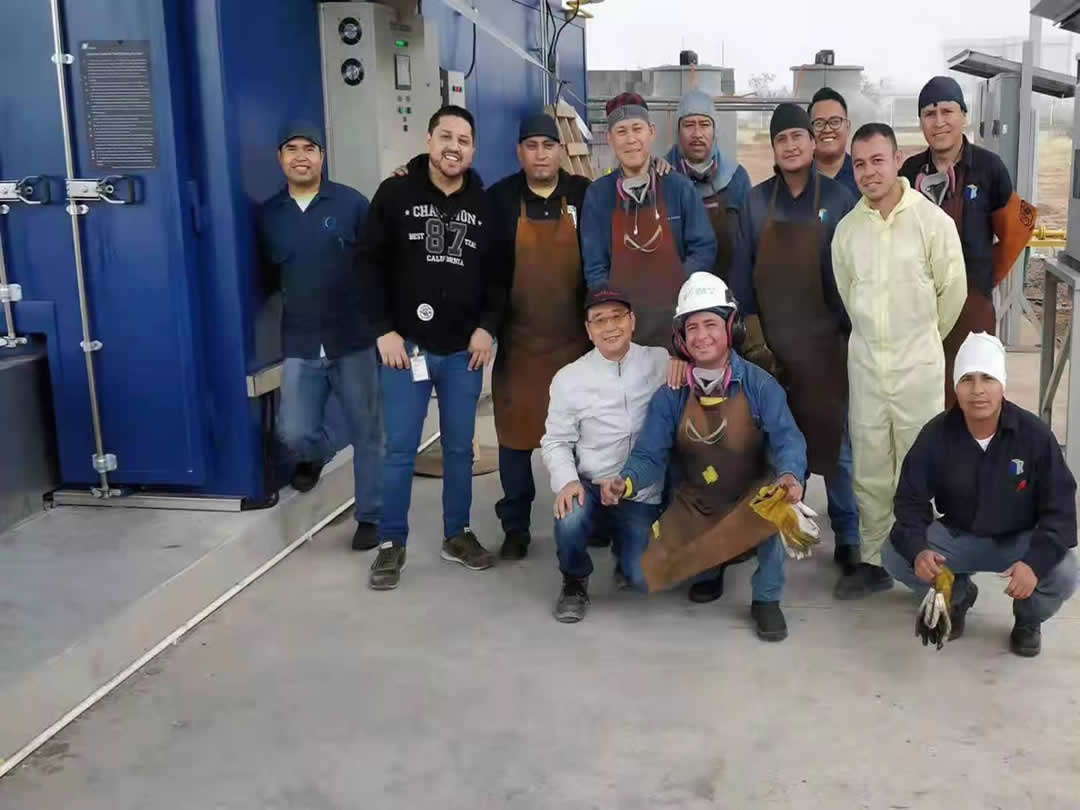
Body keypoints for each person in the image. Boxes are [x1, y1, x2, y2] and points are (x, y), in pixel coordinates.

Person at [600, 272, 808, 641]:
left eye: (711, 324)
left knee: (776, 506)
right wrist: (626, 480)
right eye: (692, 327)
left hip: (753, 495)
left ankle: (766, 597)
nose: (701, 336)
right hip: (697, 497)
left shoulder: (761, 385)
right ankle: (712, 567)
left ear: (732, 328)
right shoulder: (670, 395)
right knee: (641, 574)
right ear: (681, 338)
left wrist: (790, 475)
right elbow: (649, 453)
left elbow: (788, 439)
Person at [362, 105, 505, 590]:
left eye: (463, 140)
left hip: (464, 352)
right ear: (428, 141)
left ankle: (456, 534)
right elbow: (368, 264)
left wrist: (488, 328)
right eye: (446, 136)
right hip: (406, 349)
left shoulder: (485, 205)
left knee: (460, 449)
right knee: (400, 449)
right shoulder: (394, 194)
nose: (453, 147)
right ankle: (391, 542)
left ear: (473, 149)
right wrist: (383, 330)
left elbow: (499, 277)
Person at [729, 102, 860, 597]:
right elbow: (741, 277)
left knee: (839, 451)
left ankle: (849, 537)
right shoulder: (756, 202)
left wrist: (845, 336)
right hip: (773, 354)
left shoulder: (841, 199)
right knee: (775, 453)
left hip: (827, 351)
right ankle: (770, 538)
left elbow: (852, 276)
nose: (790, 145)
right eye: (781, 138)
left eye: (797, 136)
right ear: (773, 147)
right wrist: (753, 342)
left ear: (811, 141)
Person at [831, 123, 967, 597]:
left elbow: (952, 294)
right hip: (867, 367)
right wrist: (878, 344)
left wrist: (920, 342)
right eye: (859, 164)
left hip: (918, 370)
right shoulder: (847, 232)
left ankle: (930, 565)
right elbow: (848, 295)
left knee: (922, 468)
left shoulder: (932, 223)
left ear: (897, 160)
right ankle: (874, 560)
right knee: (870, 468)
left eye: (877, 160)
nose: (869, 172)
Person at [883, 332, 1078, 657]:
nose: (977, 390)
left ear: (1002, 384)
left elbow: (1061, 510)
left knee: (1065, 572)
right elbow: (910, 501)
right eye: (967, 379)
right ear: (955, 387)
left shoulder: (1034, 437)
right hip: (958, 538)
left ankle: (1028, 619)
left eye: (988, 378)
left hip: (1018, 541)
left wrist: (1035, 563)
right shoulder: (936, 435)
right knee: (894, 554)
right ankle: (958, 595)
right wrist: (919, 551)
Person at [257, 120, 383, 551]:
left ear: (322, 156)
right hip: (301, 340)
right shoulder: (269, 216)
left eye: (309, 148)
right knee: (292, 431)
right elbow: (266, 277)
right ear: (280, 158)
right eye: (291, 148)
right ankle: (318, 451)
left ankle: (371, 515)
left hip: (354, 339)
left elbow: (378, 267)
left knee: (368, 431)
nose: (301, 156)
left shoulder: (351, 204)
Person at [486, 113, 592, 561]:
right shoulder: (499, 199)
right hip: (520, 343)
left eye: (548, 145)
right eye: (531, 146)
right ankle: (515, 526)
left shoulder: (585, 194)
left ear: (561, 150)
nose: (541, 154)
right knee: (514, 438)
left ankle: (591, 516)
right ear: (519, 152)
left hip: (576, 342)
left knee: (586, 437)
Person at [900, 76, 1036, 408]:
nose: (939, 122)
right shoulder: (910, 172)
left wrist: (985, 278)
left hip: (973, 309)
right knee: (926, 401)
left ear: (964, 115)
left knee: (974, 400)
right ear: (921, 122)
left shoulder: (989, 169)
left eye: (947, 111)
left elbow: (1018, 229)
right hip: (921, 312)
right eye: (929, 114)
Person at [541, 285, 673, 623]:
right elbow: (555, 441)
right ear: (588, 330)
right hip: (591, 484)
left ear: (632, 321)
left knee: (640, 578)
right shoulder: (569, 378)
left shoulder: (659, 361)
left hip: (641, 490)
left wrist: (684, 364)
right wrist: (567, 481)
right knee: (570, 516)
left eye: (617, 317)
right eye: (599, 320)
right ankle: (574, 580)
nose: (610, 326)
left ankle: (623, 547)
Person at [580, 92, 717, 348]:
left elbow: (704, 248)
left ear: (651, 132)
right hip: (625, 332)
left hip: (676, 325)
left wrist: (678, 287)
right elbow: (595, 268)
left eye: (637, 129)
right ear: (609, 138)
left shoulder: (679, 188)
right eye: (621, 131)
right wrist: (614, 315)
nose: (631, 139)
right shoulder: (597, 196)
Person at [663, 88, 751, 281]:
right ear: (677, 131)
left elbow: (748, 245)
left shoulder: (737, 178)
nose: (697, 134)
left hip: (728, 288)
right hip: (675, 289)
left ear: (715, 130)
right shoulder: (661, 177)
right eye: (688, 125)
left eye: (704, 125)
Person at [809, 87, 858, 198]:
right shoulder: (796, 179)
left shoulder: (863, 175)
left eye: (835, 122)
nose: (827, 129)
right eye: (819, 123)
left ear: (848, 126)